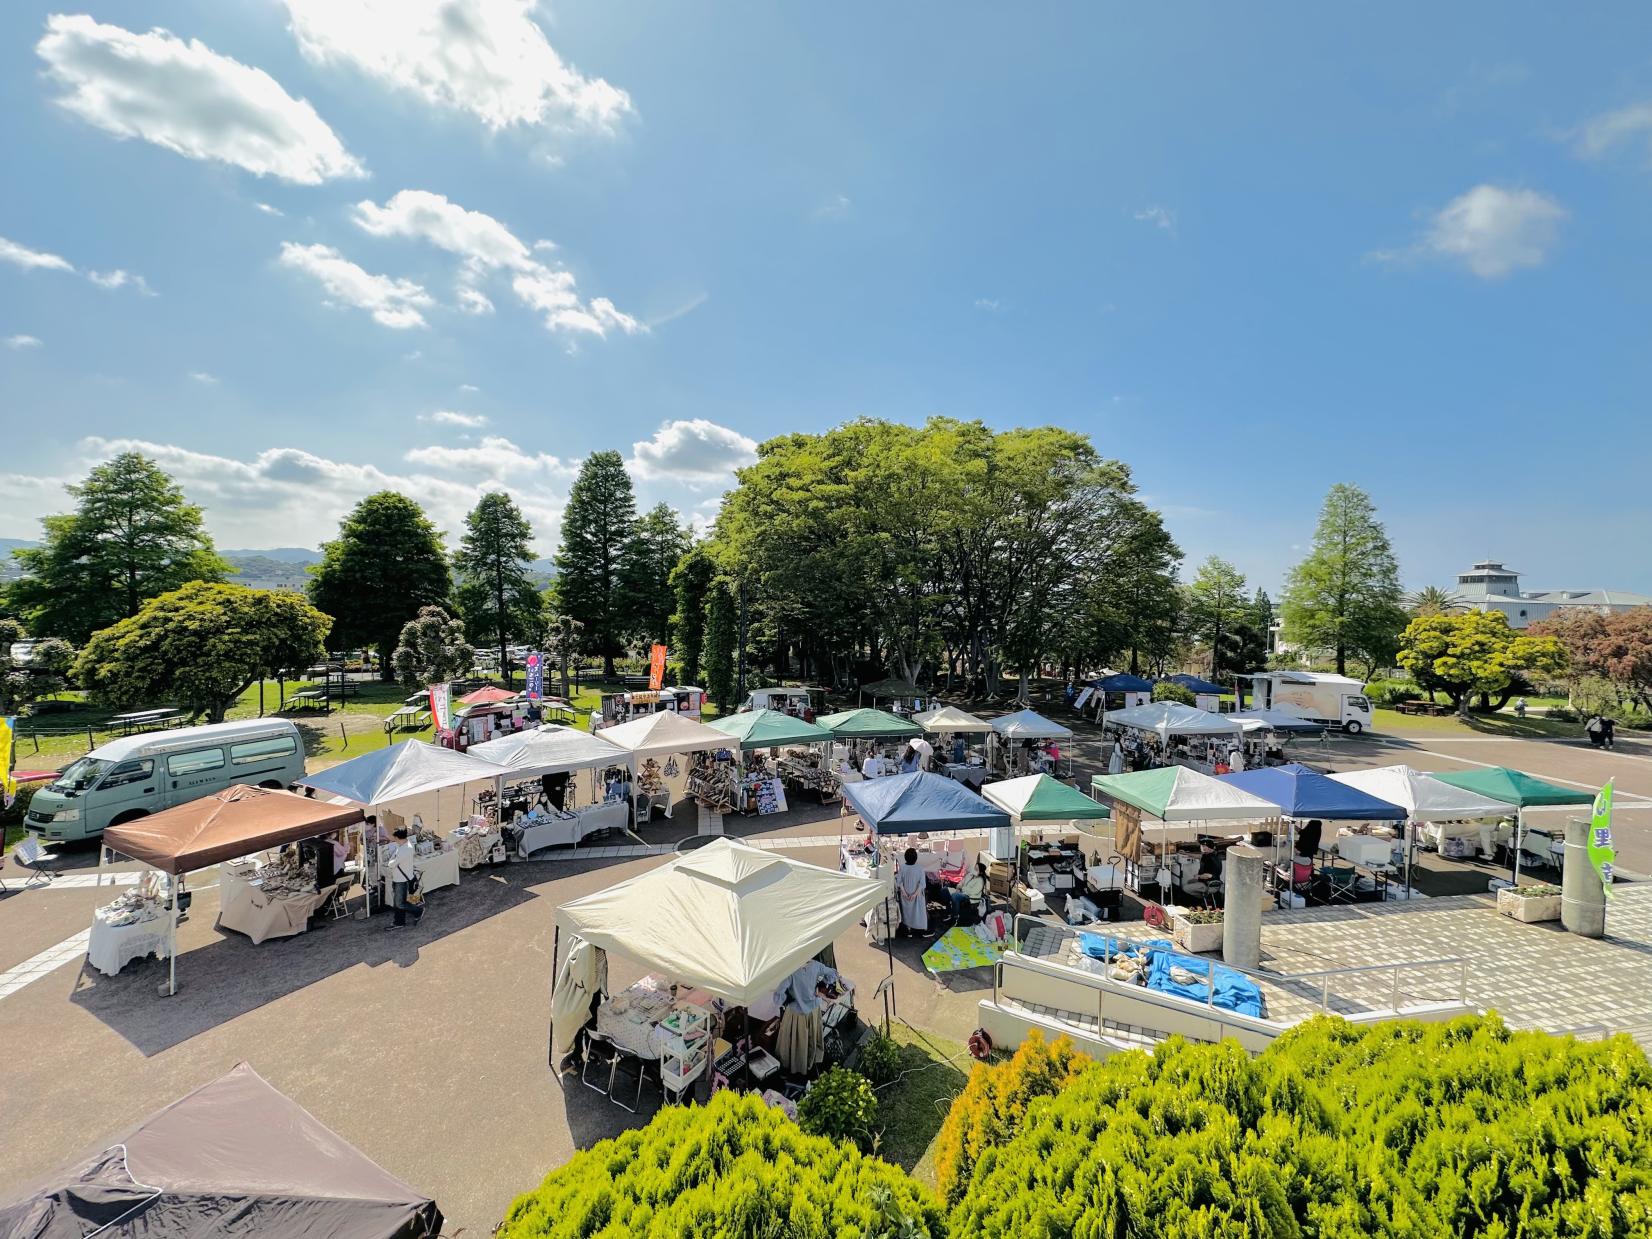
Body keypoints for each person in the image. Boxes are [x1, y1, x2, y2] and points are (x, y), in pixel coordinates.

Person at [772, 956, 840, 1075]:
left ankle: (795, 1066)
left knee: (796, 1042)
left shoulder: (790, 971)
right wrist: (820, 986)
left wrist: (789, 998)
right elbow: (833, 973)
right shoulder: (815, 964)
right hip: (814, 1010)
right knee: (811, 1038)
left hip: (796, 1013)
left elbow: (778, 998)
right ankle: (811, 1061)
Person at [388, 828, 423, 928]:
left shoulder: (405, 849)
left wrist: (391, 861)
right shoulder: (405, 845)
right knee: (398, 902)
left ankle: (418, 911)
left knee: (399, 903)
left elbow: (392, 864)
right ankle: (399, 922)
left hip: (401, 880)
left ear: (397, 837)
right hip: (401, 878)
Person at [896, 846, 929, 936]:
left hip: (905, 896)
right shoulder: (920, 868)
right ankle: (921, 929)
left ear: (905, 857)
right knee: (918, 913)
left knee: (907, 913)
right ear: (916, 858)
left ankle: (908, 929)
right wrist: (914, 894)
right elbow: (922, 884)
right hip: (917, 896)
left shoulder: (902, 868)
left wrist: (905, 893)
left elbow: (899, 883)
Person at [946, 860, 988, 925]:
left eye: (976, 869)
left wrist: (961, 889)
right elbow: (961, 882)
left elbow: (973, 892)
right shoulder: (970, 875)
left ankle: (955, 918)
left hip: (970, 898)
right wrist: (958, 887)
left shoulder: (980, 880)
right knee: (944, 891)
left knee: (955, 896)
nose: (974, 870)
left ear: (981, 872)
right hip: (961, 892)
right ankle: (949, 913)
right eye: (974, 868)